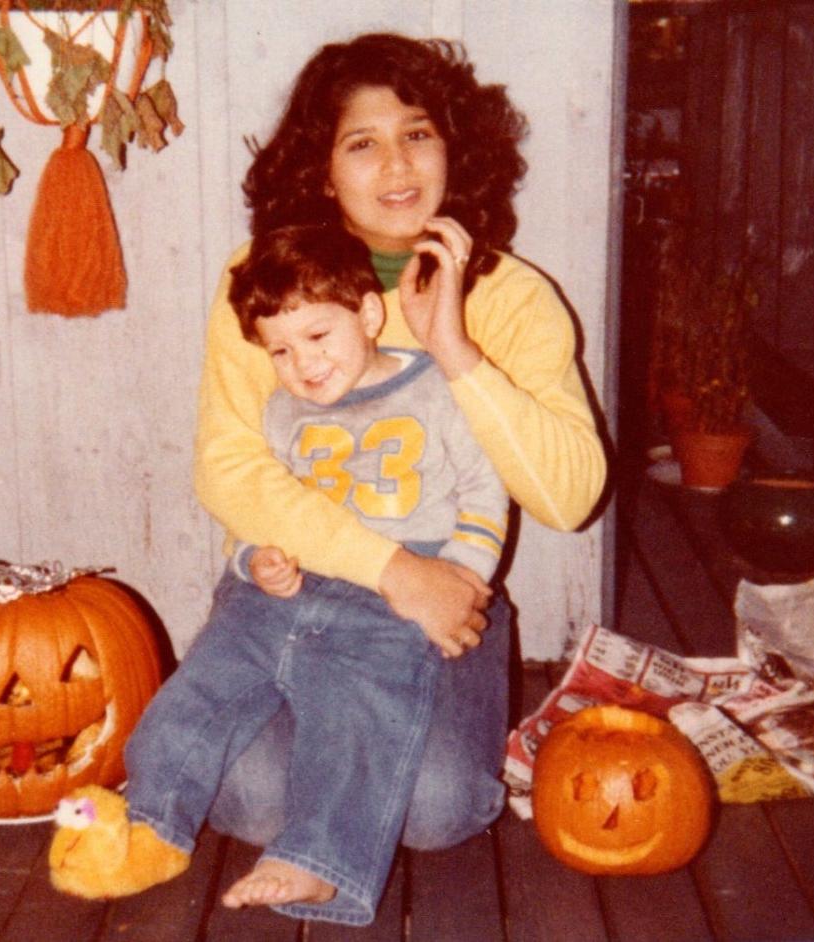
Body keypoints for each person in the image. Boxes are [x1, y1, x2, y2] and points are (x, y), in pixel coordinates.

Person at [191, 31, 606, 864]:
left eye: (417, 133)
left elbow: (571, 497)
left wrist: (455, 351)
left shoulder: (515, 298)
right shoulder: (266, 274)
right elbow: (227, 463)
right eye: (362, 143)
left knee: (438, 809)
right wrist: (391, 573)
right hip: (292, 592)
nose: (396, 167)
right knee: (249, 794)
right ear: (321, 168)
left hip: (445, 597)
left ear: (456, 150)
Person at [114, 223, 510, 925]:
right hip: (286, 589)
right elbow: (254, 508)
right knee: (198, 692)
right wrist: (253, 559)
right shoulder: (281, 411)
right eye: (282, 350)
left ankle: (317, 861)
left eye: (318, 337)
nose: (303, 364)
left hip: (396, 595)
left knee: (355, 714)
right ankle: (145, 826)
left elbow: (485, 490)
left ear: (367, 312)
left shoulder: (434, 393)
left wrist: (459, 575)